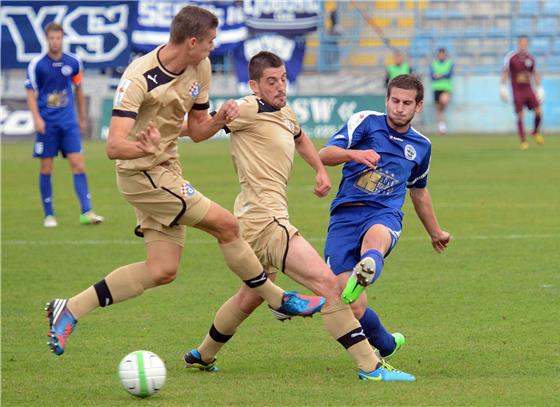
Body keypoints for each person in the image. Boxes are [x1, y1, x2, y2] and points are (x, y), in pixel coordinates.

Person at [45, 6, 324, 357]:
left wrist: (219, 119)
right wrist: (140, 146)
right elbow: (113, 146)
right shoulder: (138, 78)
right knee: (226, 224)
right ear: (192, 41)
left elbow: (197, 130)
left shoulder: (200, 67)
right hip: (142, 174)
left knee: (162, 270)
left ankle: (69, 308)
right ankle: (278, 298)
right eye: (210, 41)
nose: (214, 47)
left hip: (167, 170)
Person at [182, 51, 415, 381]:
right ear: (254, 85)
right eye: (271, 82)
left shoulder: (284, 113)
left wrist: (319, 170)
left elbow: (301, 138)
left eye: (283, 79)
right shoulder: (246, 108)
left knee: (249, 297)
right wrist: (196, 125)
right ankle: (371, 367)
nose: (280, 87)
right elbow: (198, 129)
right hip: (266, 222)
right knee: (330, 286)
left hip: (253, 219)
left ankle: (203, 354)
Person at [319, 74, 451, 360]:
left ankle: (368, 266)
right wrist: (355, 155)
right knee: (353, 305)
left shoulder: (422, 146)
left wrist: (435, 232)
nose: (399, 108)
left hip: (384, 213)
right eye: (394, 101)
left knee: (375, 242)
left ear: (418, 106)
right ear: (386, 100)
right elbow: (324, 154)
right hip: (345, 215)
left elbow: (419, 191)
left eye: (406, 103)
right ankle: (387, 343)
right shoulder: (365, 122)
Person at [25, 22, 103, 228]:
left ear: (62, 38)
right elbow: (30, 92)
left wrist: (82, 117)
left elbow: (78, 88)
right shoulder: (37, 64)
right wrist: (37, 118)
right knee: (46, 166)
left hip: (68, 123)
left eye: (58, 38)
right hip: (47, 124)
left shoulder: (74, 62)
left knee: (78, 163)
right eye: (51, 38)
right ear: (46, 39)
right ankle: (48, 214)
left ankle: (87, 211)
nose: (55, 41)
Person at [500, 35, 544, 150]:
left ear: (527, 45)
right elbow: (505, 72)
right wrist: (502, 87)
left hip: (528, 89)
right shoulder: (511, 57)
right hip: (517, 91)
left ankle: (535, 132)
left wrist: (539, 87)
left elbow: (534, 73)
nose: (523, 46)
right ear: (518, 44)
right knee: (520, 115)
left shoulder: (530, 58)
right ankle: (523, 141)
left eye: (525, 43)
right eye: (522, 43)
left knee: (539, 111)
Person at [429, 48, 454, 134]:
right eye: (440, 54)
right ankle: (442, 128)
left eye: (443, 54)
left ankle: (442, 127)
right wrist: (440, 75)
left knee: (443, 101)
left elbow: (449, 75)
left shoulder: (449, 63)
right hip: (436, 88)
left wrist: (439, 75)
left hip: (446, 88)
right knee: (439, 109)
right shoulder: (434, 64)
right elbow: (432, 76)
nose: (441, 56)